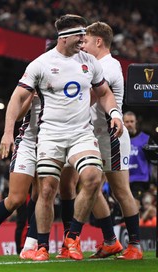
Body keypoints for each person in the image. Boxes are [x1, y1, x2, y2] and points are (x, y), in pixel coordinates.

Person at [0, 14, 123, 261]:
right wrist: (8, 132)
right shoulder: (41, 64)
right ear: (65, 37)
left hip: (81, 133)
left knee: (92, 177)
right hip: (51, 135)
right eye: (80, 36)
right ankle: (42, 246)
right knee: (46, 190)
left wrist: (115, 113)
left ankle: (72, 237)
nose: (83, 40)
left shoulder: (89, 62)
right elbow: (16, 98)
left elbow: (104, 92)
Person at [79, 21, 142, 260]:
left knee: (120, 191)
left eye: (86, 40)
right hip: (94, 137)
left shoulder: (110, 66)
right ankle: (110, 242)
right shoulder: (93, 64)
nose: (82, 44)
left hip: (111, 137)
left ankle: (135, 245)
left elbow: (92, 97)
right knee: (90, 186)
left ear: (99, 41)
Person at [0, 94, 39, 259]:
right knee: (16, 199)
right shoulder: (35, 76)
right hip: (27, 143)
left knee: (43, 195)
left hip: (50, 143)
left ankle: (30, 246)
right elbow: (18, 114)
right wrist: (31, 98)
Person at [123, 111, 155, 202]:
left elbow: (154, 159)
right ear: (123, 123)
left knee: (135, 204)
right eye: (127, 122)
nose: (129, 124)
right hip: (123, 179)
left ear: (136, 122)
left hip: (140, 179)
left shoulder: (146, 139)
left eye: (131, 121)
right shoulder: (118, 140)